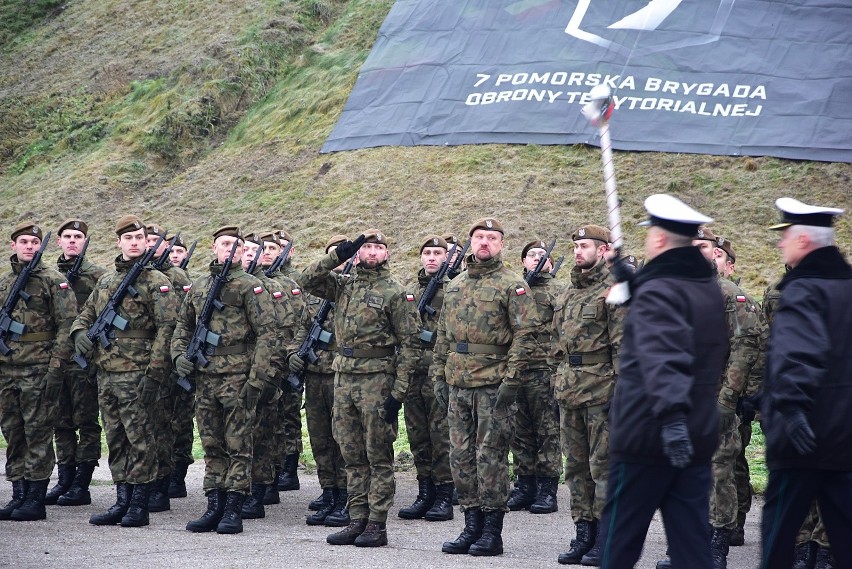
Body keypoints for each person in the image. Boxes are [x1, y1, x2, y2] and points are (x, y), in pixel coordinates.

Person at [597, 194, 729, 569]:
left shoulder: (660, 289)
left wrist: (670, 417)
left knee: (617, 543)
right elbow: (677, 323)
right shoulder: (704, 288)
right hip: (696, 433)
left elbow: (664, 354)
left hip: (649, 435)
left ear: (658, 239)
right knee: (690, 545)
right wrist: (637, 285)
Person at [296, 229, 420, 547]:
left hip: (377, 379)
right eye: (366, 247)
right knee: (351, 455)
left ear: (387, 254)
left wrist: (399, 392)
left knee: (378, 455)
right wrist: (337, 255)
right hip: (344, 377)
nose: (372, 252)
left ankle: (376, 525)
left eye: (379, 247)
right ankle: (357, 519)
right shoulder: (343, 285)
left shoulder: (396, 292)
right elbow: (306, 279)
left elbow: (409, 345)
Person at [431, 217, 536, 557]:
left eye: (492, 238)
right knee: (460, 458)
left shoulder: (513, 284)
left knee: (489, 458)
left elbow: (525, 335)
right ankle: (471, 523)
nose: (485, 243)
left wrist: (512, 380)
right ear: (471, 242)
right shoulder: (456, 283)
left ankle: (492, 530)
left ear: (501, 244)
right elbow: (443, 335)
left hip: (493, 384)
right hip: (458, 382)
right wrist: (439, 375)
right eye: (479, 237)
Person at [759, 198, 851, 569]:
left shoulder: (802, 289)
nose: (780, 244)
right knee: (845, 533)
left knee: (779, 534)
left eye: (785, 236)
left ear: (803, 241)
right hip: (844, 434)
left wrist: (791, 408)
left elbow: (797, 353)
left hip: (802, 437)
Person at [70, 215, 178, 528]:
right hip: (107, 373)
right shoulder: (105, 281)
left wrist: (154, 374)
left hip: (139, 374)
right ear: (119, 242)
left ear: (147, 243)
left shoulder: (157, 282)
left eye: (138, 238)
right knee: (116, 438)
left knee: (140, 439)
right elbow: (85, 316)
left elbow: (167, 331)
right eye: (127, 238)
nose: (133, 243)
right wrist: (79, 334)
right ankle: (122, 499)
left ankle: (139, 504)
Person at [172, 226, 280, 535]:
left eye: (236, 244)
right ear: (214, 247)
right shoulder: (200, 285)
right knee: (211, 444)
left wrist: (256, 379)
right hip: (206, 377)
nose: (230, 249)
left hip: (237, 376)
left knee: (238, 444)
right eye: (224, 244)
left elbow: (266, 334)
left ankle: (233, 508)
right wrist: (178, 356)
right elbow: (183, 327)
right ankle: (214, 505)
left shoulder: (251, 287)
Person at [689, 227, 766, 569]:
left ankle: (718, 543)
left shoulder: (731, 296)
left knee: (721, 471)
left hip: (717, 397)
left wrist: (733, 398)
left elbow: (747, 350)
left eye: (704, 247)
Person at [552, 226, 625, 565]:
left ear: (604, 250)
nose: (578, 251)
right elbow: (557, 344)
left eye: (585, 246)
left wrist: (622, 393)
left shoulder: (614, 291)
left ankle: (606, 536)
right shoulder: (567, 292)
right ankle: (584, 532)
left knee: (603, 468)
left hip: (602, 390)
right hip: (569, 390)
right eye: (576, 246)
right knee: (576, 468)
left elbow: (623, 346)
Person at [0, 222, 77, 521]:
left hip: (39, 369)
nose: (30, 247)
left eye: (34, 242)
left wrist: (56, 368)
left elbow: (66, 326)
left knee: (38, 433)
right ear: (13, 246)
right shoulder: (5, 282)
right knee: (13, 432)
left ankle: (35, 498)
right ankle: (18, 493)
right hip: (7, 370)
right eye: (24, 242)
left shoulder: (53, 280)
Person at [291, 235, 351, 527]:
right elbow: (303, 328)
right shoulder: (315, 295)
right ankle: (329, 491)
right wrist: (295, 354)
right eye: (332, 258)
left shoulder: (351, 290)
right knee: (320, 438)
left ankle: (345, 496)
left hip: (341, 374)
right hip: (315, 375)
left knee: (343, 440)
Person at [47, 219, 106, 507]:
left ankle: (82, 483)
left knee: (86, 421)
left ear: (85, 241)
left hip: (85, 360)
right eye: (67, 236)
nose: (72, 240)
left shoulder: (98, 276)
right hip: (57, 359)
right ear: (59, 241)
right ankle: (65, 478)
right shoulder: (49, 275)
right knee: (61, 421)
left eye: (78, 236)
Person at [398, 235, 454, 522]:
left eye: (437, 253)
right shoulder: (408, 291)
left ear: (447, 258)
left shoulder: (453, 290)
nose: (432, 258)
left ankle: (445, 494)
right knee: (418, 435)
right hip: (411, 373)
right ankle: (425, 492)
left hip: (437, 372)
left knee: (440, 435)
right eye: (427, 253)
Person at [507, 239, 562, 516]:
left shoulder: (560, 291)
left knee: (548, 431)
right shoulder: (517, 290)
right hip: (519, 369)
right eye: (531, 255)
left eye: (543, 255)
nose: (538, 258)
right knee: (520, 431)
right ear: (523, 262)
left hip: (545, 370)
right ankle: (524, 484)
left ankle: (547, 489)